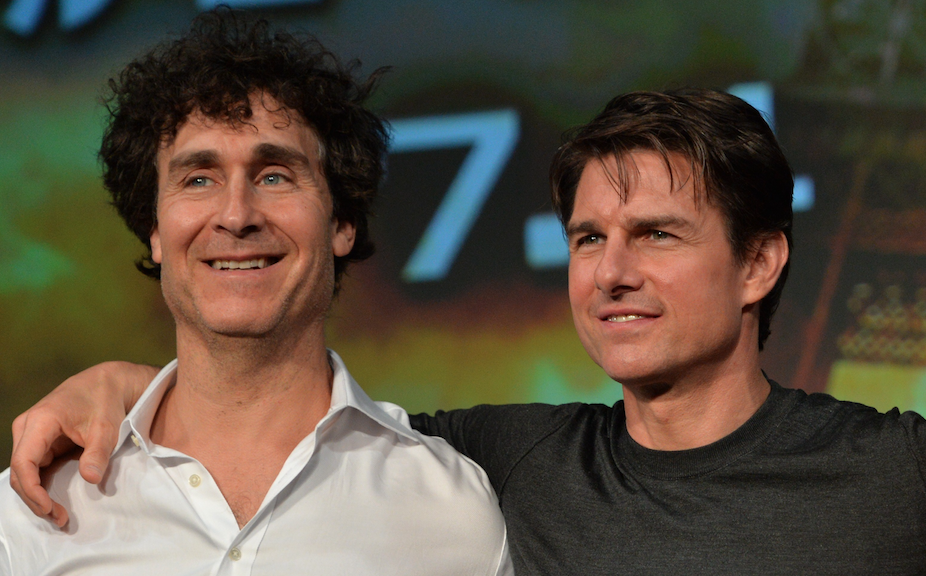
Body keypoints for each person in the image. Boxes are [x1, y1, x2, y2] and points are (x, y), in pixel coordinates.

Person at [11, 88, 926, 574]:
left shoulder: (895, 473)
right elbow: (277, 410)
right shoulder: (508, 461)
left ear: (761, 263)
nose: (611, 272)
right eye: (587, 239)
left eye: (656, 235)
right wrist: (130, 381)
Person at [0, 10, 513, 576]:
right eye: (199, 179)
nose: (237, 214)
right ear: (154, 230)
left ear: (342, 222)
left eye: (274, 175)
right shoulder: (33, 506)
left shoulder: (452, 506)